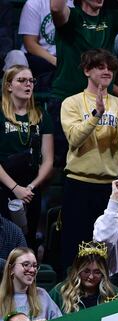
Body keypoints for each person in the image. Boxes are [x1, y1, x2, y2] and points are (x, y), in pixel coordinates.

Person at [59, 49, 118, 270]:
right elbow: (74, 138)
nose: (107, 71)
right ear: (87, 71)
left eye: (110, 68)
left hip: (109, 188)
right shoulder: (72, 103)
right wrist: (96, 114)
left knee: (106, 249)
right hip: (79, 184)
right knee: (75, 248)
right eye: (100, 67)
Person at [49, 0, 118, 100]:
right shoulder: (71, 16)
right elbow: (56, 8)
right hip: (67, 99)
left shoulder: (111, 18)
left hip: (101, 101)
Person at [0, 65, 54, 243]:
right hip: (4, 184)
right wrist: (15, 188)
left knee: (27, 239)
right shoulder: (1, 114)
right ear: (9, 86)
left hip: (30, 188)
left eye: (31, 80)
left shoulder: (41, 115)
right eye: (21, 80)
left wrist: (30, 187)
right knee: (5, 240)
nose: (28, 84)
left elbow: (48, 160)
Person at [50, 241, 118, 312]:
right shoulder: (60, 292)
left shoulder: (114, 293)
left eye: (97, 272)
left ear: (103, 273)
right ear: (77, 271)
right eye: (86, 271)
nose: (91, 277)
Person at [0, 247, 61, 321]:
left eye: (35, 266)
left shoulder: (42, 295)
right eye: (26, 265)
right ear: (11, 269)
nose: (32, 270)